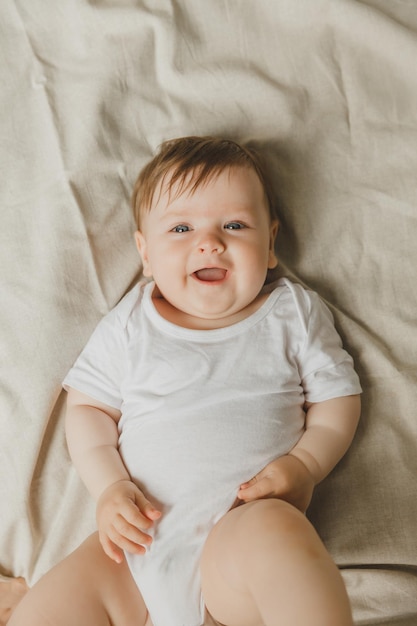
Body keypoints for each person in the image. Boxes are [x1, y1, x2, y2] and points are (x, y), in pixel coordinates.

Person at [9, 136, 362, 626]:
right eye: (180, 227)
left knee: (281, 544)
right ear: (145, 253)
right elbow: (89, 409)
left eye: (235, 225)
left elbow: (337, 399)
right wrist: (110, 487)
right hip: (136, 543)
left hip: (238, 527)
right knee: (54, 608)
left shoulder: (291, 312)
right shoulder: (130, 323)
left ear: (270, 244)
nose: (209, 241)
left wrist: (305, 464)